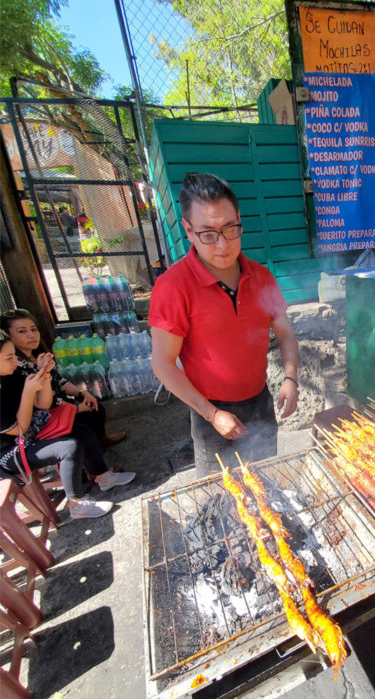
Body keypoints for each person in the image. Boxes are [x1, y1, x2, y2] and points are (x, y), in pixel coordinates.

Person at [149, 172, 299, 477]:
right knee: (222, 499)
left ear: (240, 219)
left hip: (260, 403)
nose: (222, 245)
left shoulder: (261, 276)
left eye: (230, 229)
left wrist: (291, 378)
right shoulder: (172, 287)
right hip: (210, 413)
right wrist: (212, 414)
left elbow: (285, 333)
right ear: (188, 231)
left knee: (266, 485)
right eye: (208, 234)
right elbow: (162, 364)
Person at [0, 331, 135, 519]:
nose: (15, 360)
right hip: (11, 451)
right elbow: (19, 430)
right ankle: (77, 505)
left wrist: (44, 374)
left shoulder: (9, 376)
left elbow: (43, 404)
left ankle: (103, 477)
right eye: (9, 357)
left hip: (31, 432)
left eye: (14, 355)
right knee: (68, 447)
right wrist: (28, 393)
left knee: (81, 429)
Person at [1, 309, 126, 448]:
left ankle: (102, 440)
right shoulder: (15, 368)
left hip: (59, 404)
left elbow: (60, 381)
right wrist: (76, 408)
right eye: (22, 331)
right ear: (9, 337)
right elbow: (42, 403)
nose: (31, 335)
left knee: (96, 407)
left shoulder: (39, 356)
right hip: (42, 416)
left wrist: (82, 392)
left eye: (33, 329)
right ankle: (94, 466)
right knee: (82, 429)